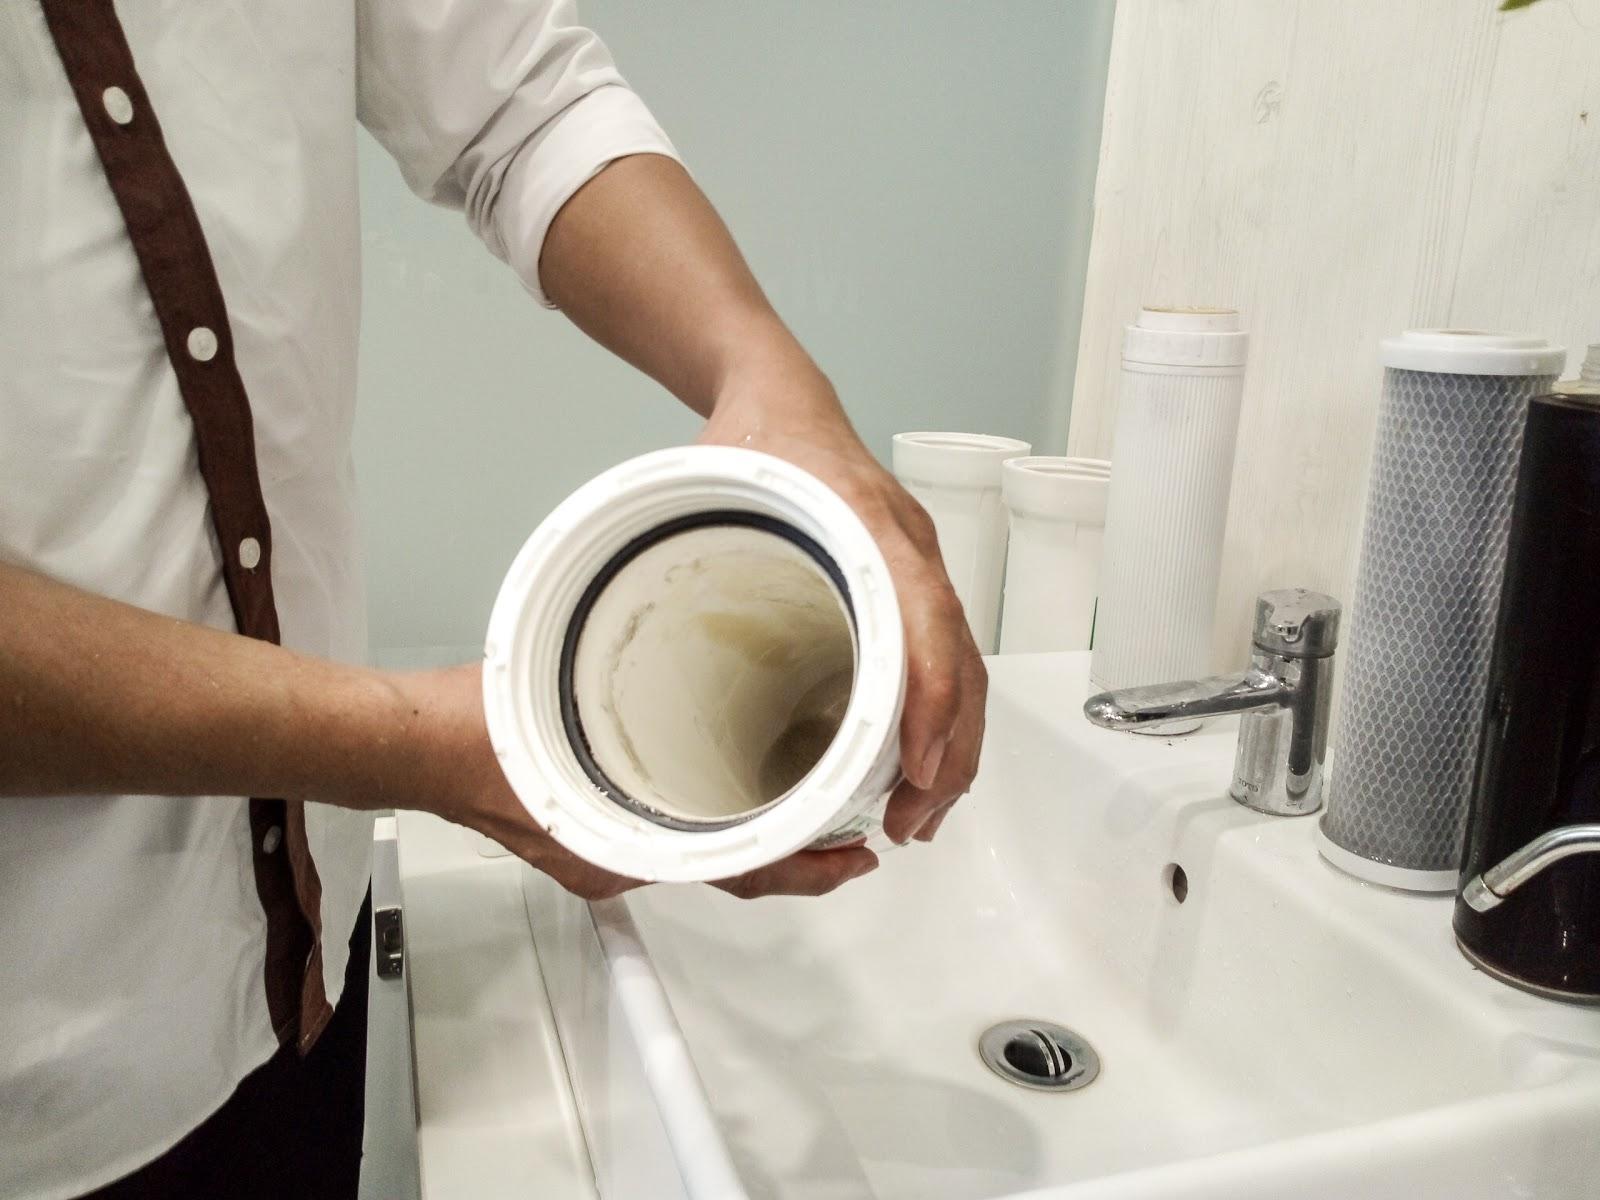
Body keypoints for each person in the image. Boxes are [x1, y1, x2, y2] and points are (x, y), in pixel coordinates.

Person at [0, 2, 986, 1197]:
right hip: (48, 1086)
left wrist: (764, 370)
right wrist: (422, 748)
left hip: (301, 964)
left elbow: (520, 105)